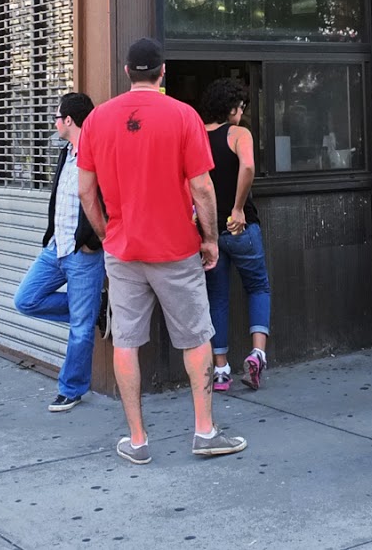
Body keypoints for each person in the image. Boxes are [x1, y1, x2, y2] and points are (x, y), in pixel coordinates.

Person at [77, 38, 247, 464]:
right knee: (196, 338)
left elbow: (84, 190)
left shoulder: (97, 120)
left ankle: (137, 441)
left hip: (123, 251)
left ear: (127, 71)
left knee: (127, 342)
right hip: (175, 248)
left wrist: (107, 233)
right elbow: (202, 187)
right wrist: (209, 239)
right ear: (163, 71)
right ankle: (204, 432)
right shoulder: (183, 116)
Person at [12, 93, 105, 412]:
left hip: (83, 252)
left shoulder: (100, 152)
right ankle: (95, 309)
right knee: (25, 300)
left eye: (56, 116)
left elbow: (109, 201)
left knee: (81, 327)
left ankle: (72, 388)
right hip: (56, 248)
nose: (53, 122)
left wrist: (95, 241)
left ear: (69, 120)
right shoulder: (66, 152)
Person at [199, 78, 272, 391]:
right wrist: (238, 208)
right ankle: (257, 354)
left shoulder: (196, 135)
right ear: (231, 108)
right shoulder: (239, 133)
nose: (241, 114)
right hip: (240, 228)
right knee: (258, 286)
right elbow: (248, 167)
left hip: (210, 232)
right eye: (240, 108)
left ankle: (220, 370)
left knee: (217, 296)